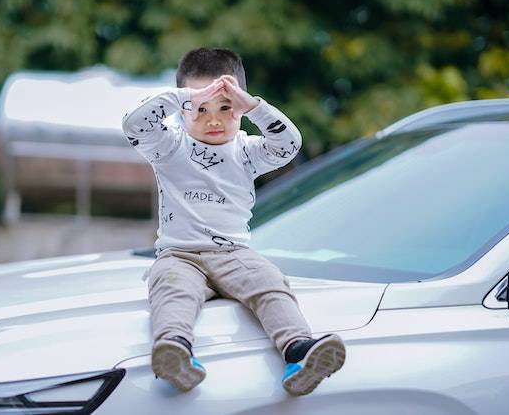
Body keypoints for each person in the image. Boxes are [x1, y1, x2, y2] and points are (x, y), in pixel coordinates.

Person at [122, 47, 345, 396]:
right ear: (183, 108)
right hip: (179, 255)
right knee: (170, 289)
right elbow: (132, 125)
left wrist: (254, 106)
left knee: (271, 283)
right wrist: (184, 96)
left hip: (234, 254)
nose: (213, 120)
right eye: (201, 108)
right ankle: (175, 351)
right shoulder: (168, 146)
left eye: (226, 108)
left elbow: (289, 145)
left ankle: (299, 352)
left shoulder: (247, 151)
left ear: (239, 106)